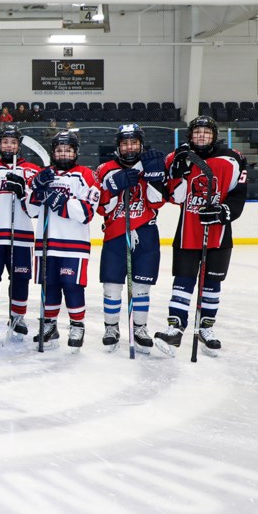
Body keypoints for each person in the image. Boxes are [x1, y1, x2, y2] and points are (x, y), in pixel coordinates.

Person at [153, 116, 247, 357]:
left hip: (219, 235)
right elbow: (174, 197)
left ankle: (206, 328)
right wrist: (180, 173)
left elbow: (238, 194)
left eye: (206, 132)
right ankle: (175, 328)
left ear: (214, 135)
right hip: (187, 233)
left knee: (212, 284)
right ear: (190, 135)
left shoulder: (232, 158)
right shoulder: (177, 157)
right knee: (183, 282)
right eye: (197, 132)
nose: (202, 136)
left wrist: (223, 211)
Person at [95, 124, 167, 353]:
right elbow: (101, 207)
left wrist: (155, 178)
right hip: (116, 234)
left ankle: (140, 328)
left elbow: (156, 202)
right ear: (118, 145)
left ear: (141, 144)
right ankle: (111, 327)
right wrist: (115, 187)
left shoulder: (151, 166)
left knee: (142, 286)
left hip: (145, 232)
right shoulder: (105, 168)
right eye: (125, 143)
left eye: (134, 142)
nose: (129, 147)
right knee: (112, 286)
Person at [28, 131, 101, 351]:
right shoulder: (43, 175)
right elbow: (30, 210)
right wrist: (36, 188)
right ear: (53, 152)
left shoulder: (86, 175)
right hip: (46, 243)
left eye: (68, 149)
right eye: (59, 150)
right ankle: (50, 325)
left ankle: (77, 325)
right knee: (49, 286)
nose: (63, 153)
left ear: (75, 152)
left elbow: (87, 212)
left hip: (74, 244)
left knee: (72, 286)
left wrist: (59, 200)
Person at [0, 124, 40, 341]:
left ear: (19, 145)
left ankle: (17, 317)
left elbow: (36, 209)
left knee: (20, 278)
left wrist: (24, 193)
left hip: (21, 236)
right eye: (5, 142)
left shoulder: (32, 171)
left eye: (13, 142)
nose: (9, 146)